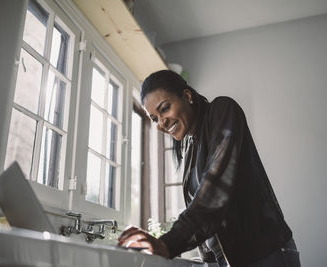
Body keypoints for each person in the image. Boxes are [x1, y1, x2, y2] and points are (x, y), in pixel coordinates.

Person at [118, 70, 301, 267]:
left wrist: (168, 243)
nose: (161, 122)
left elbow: (214, 190)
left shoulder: (223, 109)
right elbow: (209, 220)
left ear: (187, 97)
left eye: (164, 108)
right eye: (154, 118)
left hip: (266, 253)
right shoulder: (190, 148)